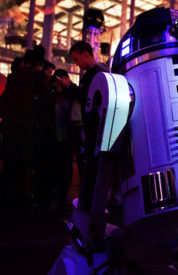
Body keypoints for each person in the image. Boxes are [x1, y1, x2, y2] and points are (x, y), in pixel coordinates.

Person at [0, 46, 55, 216]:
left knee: (9, 169)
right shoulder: (39, 80)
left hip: (12, 132)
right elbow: (48, 103)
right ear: (39, 64)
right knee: (24, 171)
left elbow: (0, 105)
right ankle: (19, 205)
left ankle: (5, 205)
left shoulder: (13, 80)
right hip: (29, 134)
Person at [68, 40, 109, 212]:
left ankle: (91, 206)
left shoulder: (97, 74)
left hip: (96, 130)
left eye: (77, 59)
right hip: (95, 129)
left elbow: (86, 97)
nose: (76, 64)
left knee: (94, 169)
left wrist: (69, 86)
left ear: (86, 53)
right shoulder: (96, 73)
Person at [51, 69, 84, 213]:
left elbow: (80, 95)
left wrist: (68, 85)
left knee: (64, 168)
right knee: (59, 168)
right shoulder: (52, 96)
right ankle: (58, 193)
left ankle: (61, 196)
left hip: (66, 137)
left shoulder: (70, 94)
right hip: (56, 137)